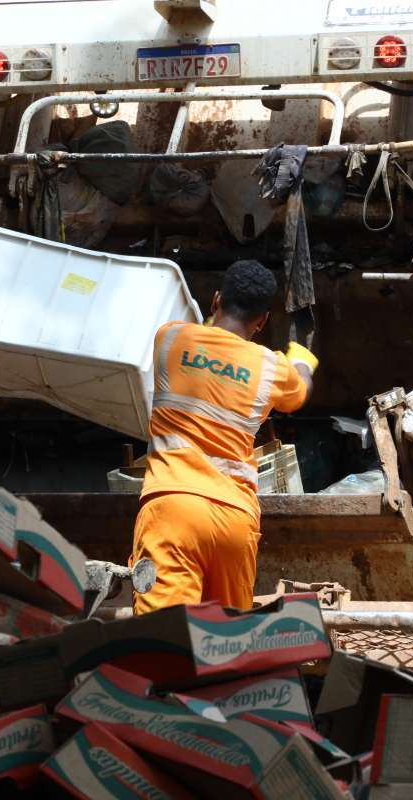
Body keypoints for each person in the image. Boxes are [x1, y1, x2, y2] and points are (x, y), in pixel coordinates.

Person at [131, 259, 317, 613]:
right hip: (234, 520)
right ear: (261, 322)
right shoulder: (271, 367)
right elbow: (299, 395)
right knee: (226, 645)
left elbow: (201, 343)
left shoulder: (169, 338)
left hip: (173, 508)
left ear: (216, 300)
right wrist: (303, 362)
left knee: (161, 640)